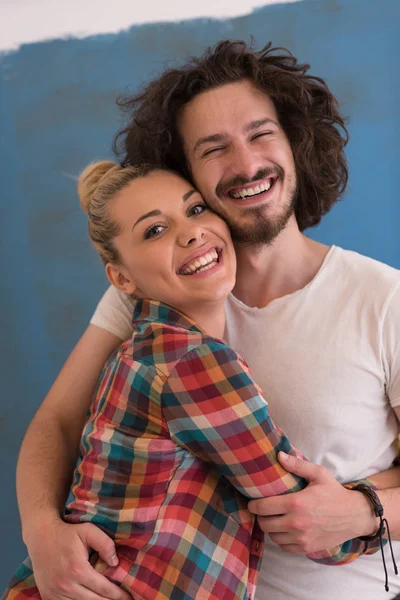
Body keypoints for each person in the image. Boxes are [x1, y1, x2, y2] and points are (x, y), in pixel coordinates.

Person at [14, 41, 400, 600]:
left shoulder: (384, 299)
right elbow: (55, 423)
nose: (245, 165)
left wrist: (364, 510)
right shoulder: (159, 300)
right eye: (213, 148)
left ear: (295, 141)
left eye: (260, 133)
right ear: (185, 171)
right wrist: (41, 533)